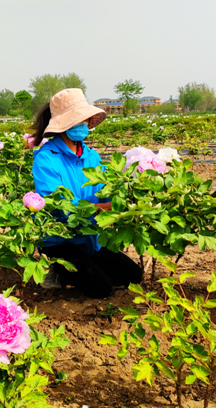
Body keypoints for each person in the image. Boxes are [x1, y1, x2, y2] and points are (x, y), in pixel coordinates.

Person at [31, 88, 142, 298]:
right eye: (77, 120)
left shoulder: (91, 156)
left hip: (91, 237)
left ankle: (86, 266)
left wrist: (128, 195)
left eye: (84, 119)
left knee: (133, 276)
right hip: (61, 240)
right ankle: (56, 270)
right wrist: (108, 209)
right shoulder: (46, 159)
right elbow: (61, 209)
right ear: (63, 124)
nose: (83, 124)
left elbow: (104, 191)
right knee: (101, 289)